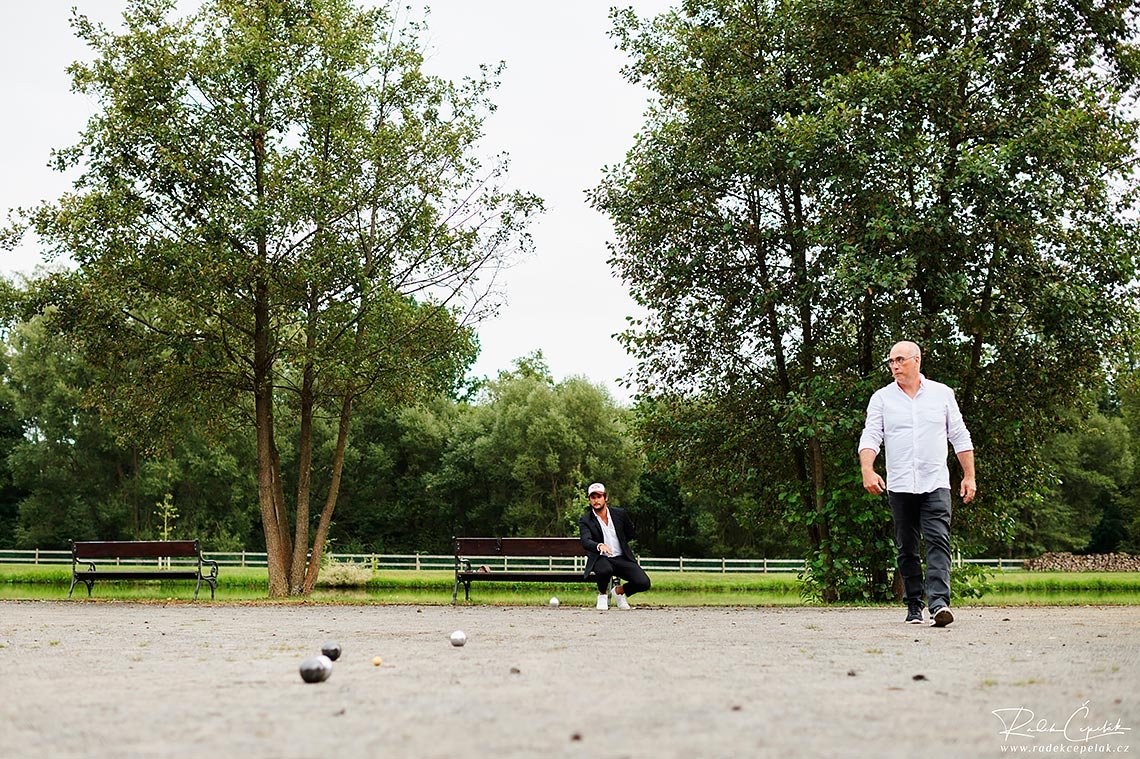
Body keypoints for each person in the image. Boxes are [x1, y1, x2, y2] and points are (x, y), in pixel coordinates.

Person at [858, 341, 976, 627]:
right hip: (899, 485)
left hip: (935, 482)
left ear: (917, 361)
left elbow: (959, 436)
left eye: (900, 360)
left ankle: (939, 605)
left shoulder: (942, 394)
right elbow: (871, 436)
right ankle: (914, 605)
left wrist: (969, 475)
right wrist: (868, 470)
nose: (894, 366)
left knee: (938, 540)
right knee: (906, 547)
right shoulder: (882, 399)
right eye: (891, 361)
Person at [579, 482, 651, 610]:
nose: (596, 500)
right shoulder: (586, 520)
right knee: (604, 569)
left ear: (605, 498)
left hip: (621, 557)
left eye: (599, 497)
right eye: (593, 497)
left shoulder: (620, 514)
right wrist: (599, 546)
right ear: (589, 500)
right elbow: (586, 541)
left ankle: (618, 592)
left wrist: (622, 544)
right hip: (601, 558)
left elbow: (630, 533)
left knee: (644, 583)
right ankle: (602, 595)